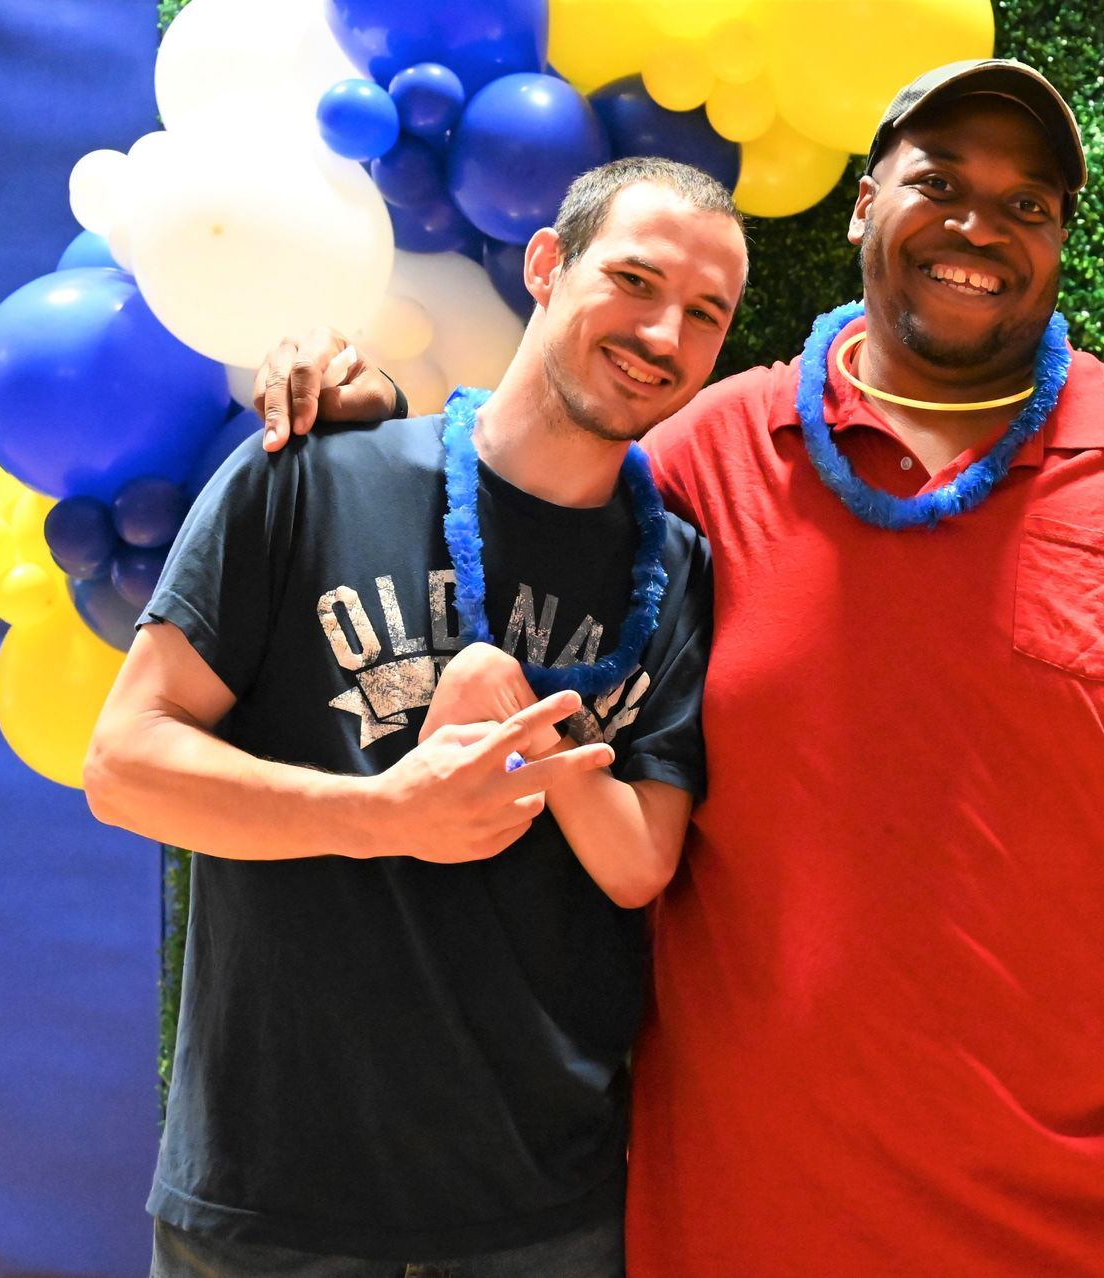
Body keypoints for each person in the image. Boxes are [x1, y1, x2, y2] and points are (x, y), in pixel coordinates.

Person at [272, 59, 1104, 1278]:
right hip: (775, 1224)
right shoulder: (715, 452)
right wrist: (385, 414)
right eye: (941, 181)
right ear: (864, 202)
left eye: (1029, 205)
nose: (980, 227)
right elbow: (527, 482)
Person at [82, 157, 747, 1275]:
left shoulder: (674, 571)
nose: (663, 334)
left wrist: (543, 741)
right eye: (634, 281)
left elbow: (647, 862)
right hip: (268, 1202)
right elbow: (126, 767)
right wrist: (385, 813)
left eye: (704, 314)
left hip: (542, 1213)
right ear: (546, 264)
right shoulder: (309, 476)